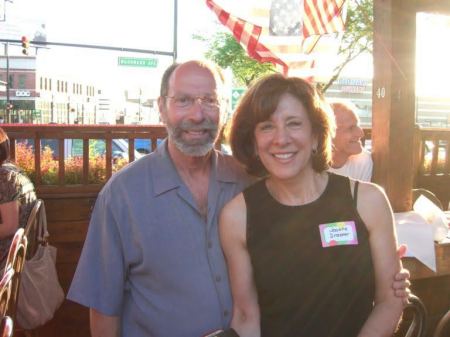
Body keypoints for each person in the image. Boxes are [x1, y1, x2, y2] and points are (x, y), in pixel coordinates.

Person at [67, 61, 410, 337]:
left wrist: (381, 267)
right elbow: (103, 305)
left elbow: (374, 290)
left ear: (316, 133)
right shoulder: (125, 194)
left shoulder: (252, 181)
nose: (197, 115)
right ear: (161, 108)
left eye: (210, 101)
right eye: (183, 100)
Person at [220, 74, 404, 337]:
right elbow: (246, 316)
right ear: (253, 140)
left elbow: (390, 300)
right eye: (266, 127)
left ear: (317, 135)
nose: (281, 139)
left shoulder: (368, 200)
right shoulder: (237, 216)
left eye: (294, 124)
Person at [0, 127, 37, 266]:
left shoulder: (4, 178)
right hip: (15, 254)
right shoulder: (10, 169)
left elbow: (10, 227)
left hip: (7, 259)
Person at [328, 100, 373, 181]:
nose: (361, 133)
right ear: (328, 134)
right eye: (351, 128)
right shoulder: (307, 165)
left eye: (358, 125)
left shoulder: (364, 161)